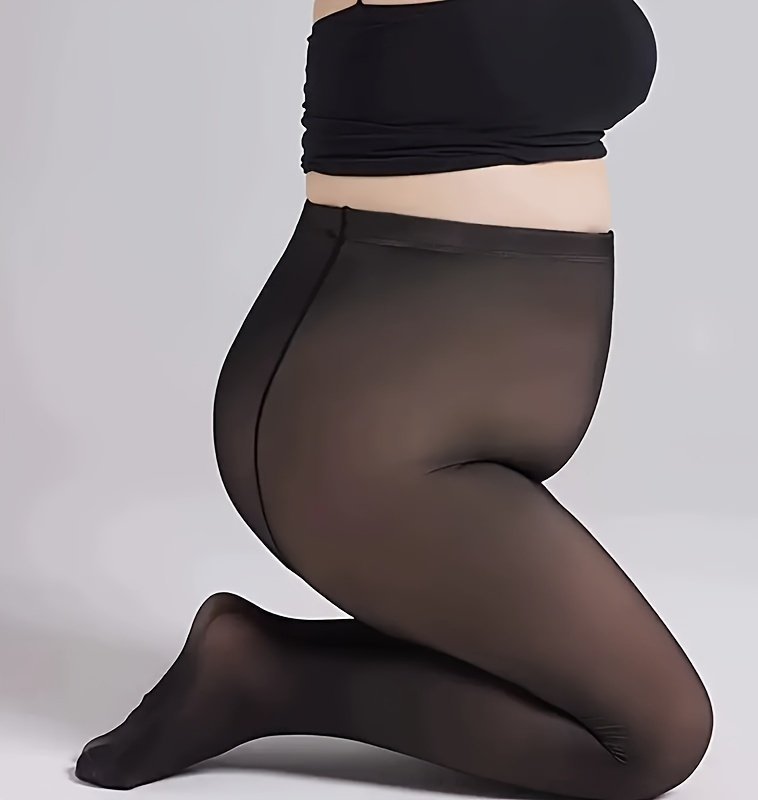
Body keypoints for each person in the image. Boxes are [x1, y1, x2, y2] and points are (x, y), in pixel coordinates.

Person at [74, 2, 714, 798]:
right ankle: (263, 679)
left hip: (437, 424)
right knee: (651, 739)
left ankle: (258, 667)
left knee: (608, 706)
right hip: (358, 432)